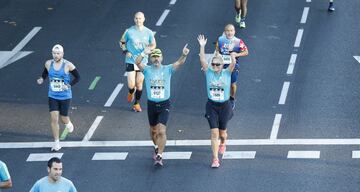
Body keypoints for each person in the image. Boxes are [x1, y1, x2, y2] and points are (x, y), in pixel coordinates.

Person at [135, 45, 189, 166]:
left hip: (164, 103)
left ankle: (159, 155)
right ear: (150, 59)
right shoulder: (147, 69)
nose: (156, 59)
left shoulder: (167, 69)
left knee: (161, 130)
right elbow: (137, 62)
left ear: (162, 58)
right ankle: (156, 146)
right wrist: (144, 53)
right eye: (153, 57)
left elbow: (180, 63)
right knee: (153, 130)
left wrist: (184, 54)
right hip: (152, 104)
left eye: (158, 57)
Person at [198, 34, 236, 168]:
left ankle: (223, 142)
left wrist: (232, 54)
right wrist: (202, 46)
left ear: (221, 65)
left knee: (222, 133)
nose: (214, 65)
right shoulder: (208, 72)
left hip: (224, 106)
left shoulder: (226, 73)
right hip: (212, 106)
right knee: (214, 132)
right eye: (213, 63)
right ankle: (215, 159)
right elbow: (202, 59)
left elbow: (233, 64)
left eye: (217, 64)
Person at [37, 44, 80, 151]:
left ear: (62, 54)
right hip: (53, 95)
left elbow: (78, 77)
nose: (56, 55)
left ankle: (68, 123)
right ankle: (56, 142)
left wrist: (68, 85)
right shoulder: (48, 63)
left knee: (63, 117)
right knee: (54, 118)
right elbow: (45, 73)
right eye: (54, 53)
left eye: (58, 53)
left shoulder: (68, 65)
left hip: (65, 95)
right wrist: (42, 79)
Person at [120, 11, 157, 112]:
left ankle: (136, 103)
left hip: (143, 61)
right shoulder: (128, 31)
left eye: (140, 18)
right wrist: (126, 51)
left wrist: (149, 49)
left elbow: (153, 44)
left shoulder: (149, 32)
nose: (138, 20)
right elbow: (122, 42)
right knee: (132, 85)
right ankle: (131, 92)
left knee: (139, 84)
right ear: (134, 19)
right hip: (131, 60)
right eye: (136, 18)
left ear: (144, 19)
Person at [216, 24, 248, 110]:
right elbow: (217, 51)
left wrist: (237, 54)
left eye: (231, 31)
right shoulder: (220, 40)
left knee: (232, 85)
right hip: (222, 66)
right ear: (224, 32)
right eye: (228, 31)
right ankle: (221, 100)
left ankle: (232, 99)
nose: (229, 33)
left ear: (234, 31)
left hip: (233, 65)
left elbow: (246, 52)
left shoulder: (238, 41)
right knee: (220, 83)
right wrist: (218, 55)